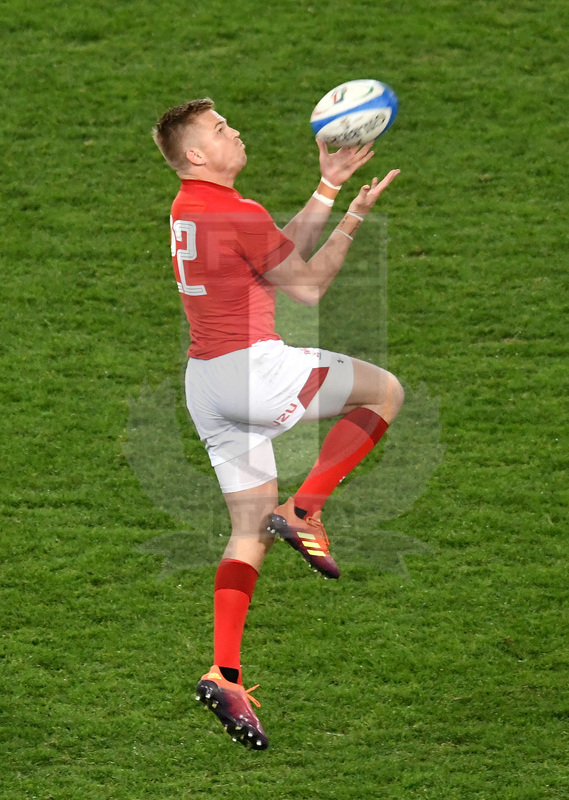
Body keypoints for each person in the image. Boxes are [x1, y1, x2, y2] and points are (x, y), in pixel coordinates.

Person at [152, 98, 403, 750]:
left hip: (207, 384)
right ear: (198, 155)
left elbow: (270, 253)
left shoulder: (190, 208)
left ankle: (225, 671)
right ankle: (305, 508)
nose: (234, 131)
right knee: (384, 394)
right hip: (256, 375)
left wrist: (327, 185)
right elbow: (307, 284)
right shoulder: (236, 213)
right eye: (220, 129)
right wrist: (353, 217)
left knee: (245, 529)